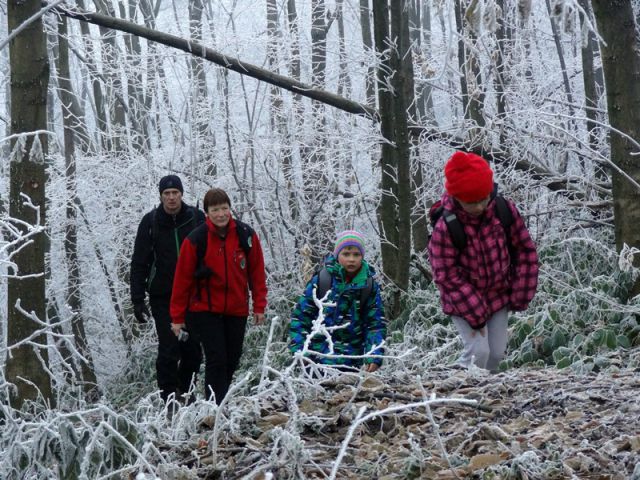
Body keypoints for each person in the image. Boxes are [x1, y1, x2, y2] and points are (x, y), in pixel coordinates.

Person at [428, 151, 539, 372]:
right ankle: (461, 389)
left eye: (483, 198)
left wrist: (521, 292)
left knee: (497, 352)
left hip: (498, 295)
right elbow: (445, 275)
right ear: (457, 198)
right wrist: (475, 312)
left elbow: (525, 250)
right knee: (479, 351)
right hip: (463, 302)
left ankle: (486, 390)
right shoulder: (446, 227)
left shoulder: (503, 211)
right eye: (471, 202)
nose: (479, 206)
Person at [170, 188, 268, 403]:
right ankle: (215, 408)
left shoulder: (246, 235)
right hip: (204, 310)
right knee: (216, 358)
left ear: (230, 209)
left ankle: (220, 400)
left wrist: (259, 305)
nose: (221, 214)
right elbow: (182, 280)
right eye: (215, 210)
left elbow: (257, 272)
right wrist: (177, 317)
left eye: (224, 208)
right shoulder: (196, 240)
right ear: (207, 213)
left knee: (232, 359)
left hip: (236, 308)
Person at [130, 174, 205, 402]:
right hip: (163, 296)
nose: (171, 198)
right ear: (161, 196)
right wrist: (137, 299)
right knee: (170, 347)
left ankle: (187, 390)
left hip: (193, 295)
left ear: (182, 194)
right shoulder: (150, 222)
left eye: (175, 193)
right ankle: (168, 397)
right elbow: (139, 261)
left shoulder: (196, 218)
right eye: (167, 194)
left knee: (192, 348)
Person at [289, 231, 386, 372]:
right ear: (337, 255)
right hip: (317, 358)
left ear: (362, 256)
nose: (351, 259)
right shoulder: (322, 280)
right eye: (346, 254)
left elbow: (375, 324)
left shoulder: (368, 286)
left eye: (356, 254)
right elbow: (301, 317)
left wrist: (374, 355)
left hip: (352, 360)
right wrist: (299, 351)